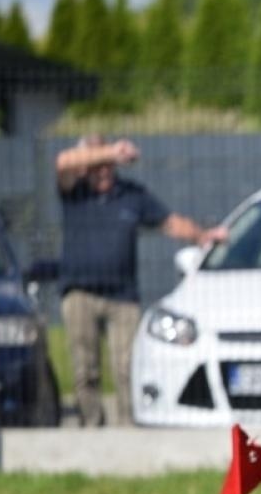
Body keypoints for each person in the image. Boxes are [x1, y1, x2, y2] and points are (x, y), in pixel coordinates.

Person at [55, 134, 226, 426]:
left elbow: (169, 223)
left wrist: (202, 236)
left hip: (122, 296)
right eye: (98, 163)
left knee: (126, 367)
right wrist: (111, 151)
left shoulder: (131, 195)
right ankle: (91, 425)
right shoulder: (74, 192)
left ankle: (129, 427)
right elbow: (63, 163)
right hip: (80, 293)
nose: (104, 170)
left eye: (108, 164)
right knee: (85, 370)